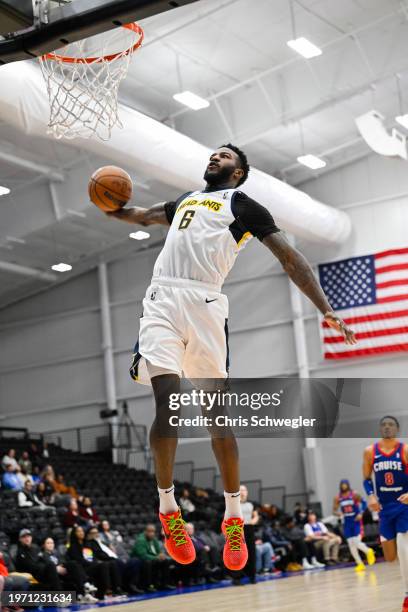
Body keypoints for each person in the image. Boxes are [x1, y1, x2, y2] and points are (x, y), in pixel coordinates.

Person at [106, 144, 356, 572]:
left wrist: (325, 307)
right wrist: (113, 207)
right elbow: (145, 216)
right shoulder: (185, 200)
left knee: (216, 418)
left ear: (238, 173)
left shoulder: (242, 204)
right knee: (167, 402)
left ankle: (234, 517)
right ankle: (169, 511)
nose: (214, 158)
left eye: (224, 156)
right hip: (163, 297)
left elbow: (290, 258)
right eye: (213, 154)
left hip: (205, 303)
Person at [363, 416, 408, 612]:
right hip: (384, 509)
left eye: (391, 425)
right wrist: (371, 496)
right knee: (390, 557)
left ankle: (407, 595)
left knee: (404, 548)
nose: (387, 427)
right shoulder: (370, 451)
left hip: (403, 506)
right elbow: (366, 478)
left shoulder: (404, 450)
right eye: (383, 425)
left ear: (397, 429)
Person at [333, 479, 375, 572]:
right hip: (346, 522)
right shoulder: (337, 497)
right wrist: (338, 513)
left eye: (345, 484)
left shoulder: (354, 494)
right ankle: (360, 563)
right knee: (350, 544)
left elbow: (364, 503)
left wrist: (360, 513)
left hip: (356, 520)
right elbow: (334, 510)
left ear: (348, 485)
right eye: (342, 485)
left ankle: (369, 551)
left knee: (356, 542)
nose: (344, 486)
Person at [40, 537, 98, 604]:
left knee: (73, 563)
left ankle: (85, 588)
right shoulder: (42, 555)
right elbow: (46, 566)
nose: (50, 544)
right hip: (52, 575)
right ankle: (62, 598)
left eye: (52, 543)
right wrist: (56, 568)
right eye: (48, 543)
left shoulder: (57, 554)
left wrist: (62, 566)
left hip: (62, 572)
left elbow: (63, 562)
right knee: (70, 567)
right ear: (44, 545)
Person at [66, 526, 112, 600]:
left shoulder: (87, 544)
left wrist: (95, 563)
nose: (81, 533)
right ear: (74, 534)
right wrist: (94, 564)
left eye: (82, 531)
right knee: (100, 566)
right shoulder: (73, 547)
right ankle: (87, 590)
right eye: (78, 531)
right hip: (82, 569)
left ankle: (102, 592)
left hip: (91, 566)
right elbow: (79, 561)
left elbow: (92, 557)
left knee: (104, 565)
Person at [131, 524, 173, 592]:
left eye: (153, 532)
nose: (152, 533)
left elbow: (158, 550)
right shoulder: (141, 540)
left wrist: (161, 555)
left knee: (166, 561)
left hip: (152, 558)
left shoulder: (154, 539)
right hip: (140, 560)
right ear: (146, 532)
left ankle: (164, 584)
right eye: (150, 532)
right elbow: (143, 555)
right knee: (148, 563)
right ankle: (148, 586)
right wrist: (156, 557)